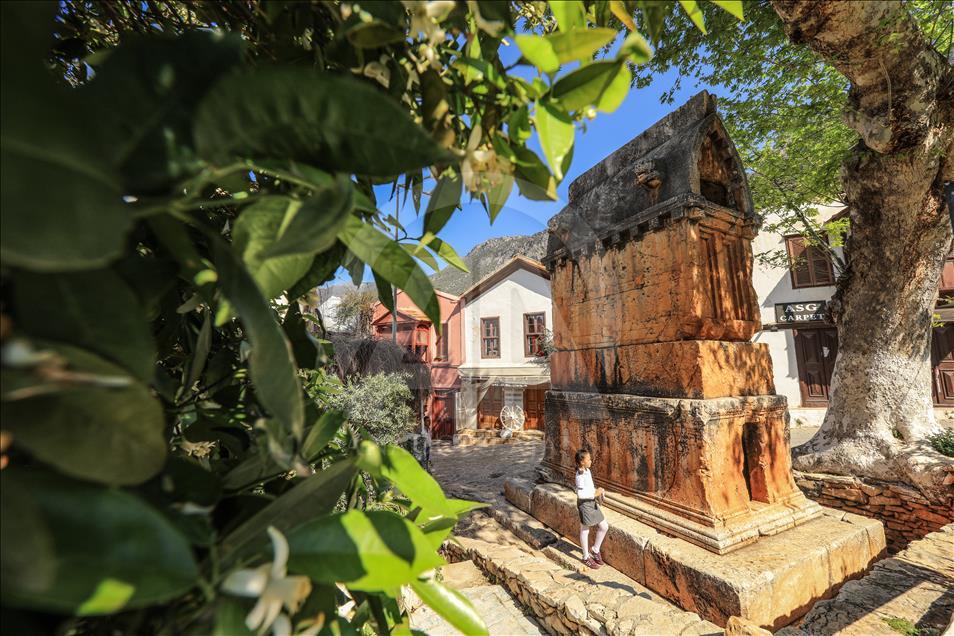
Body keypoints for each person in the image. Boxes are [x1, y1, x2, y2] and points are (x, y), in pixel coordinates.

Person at [575, 448, 609, 569]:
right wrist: (594, 494)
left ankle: (595, 549)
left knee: (604, 526)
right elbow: (580, 494)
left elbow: (589, 487)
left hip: (591, 502)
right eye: (589, 459)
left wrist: (598, 491)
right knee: (585, 530)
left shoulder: (587, 471)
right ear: (582, 461)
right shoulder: (579, 476)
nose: (591, 461)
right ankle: (585, 557)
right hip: (584, 504)